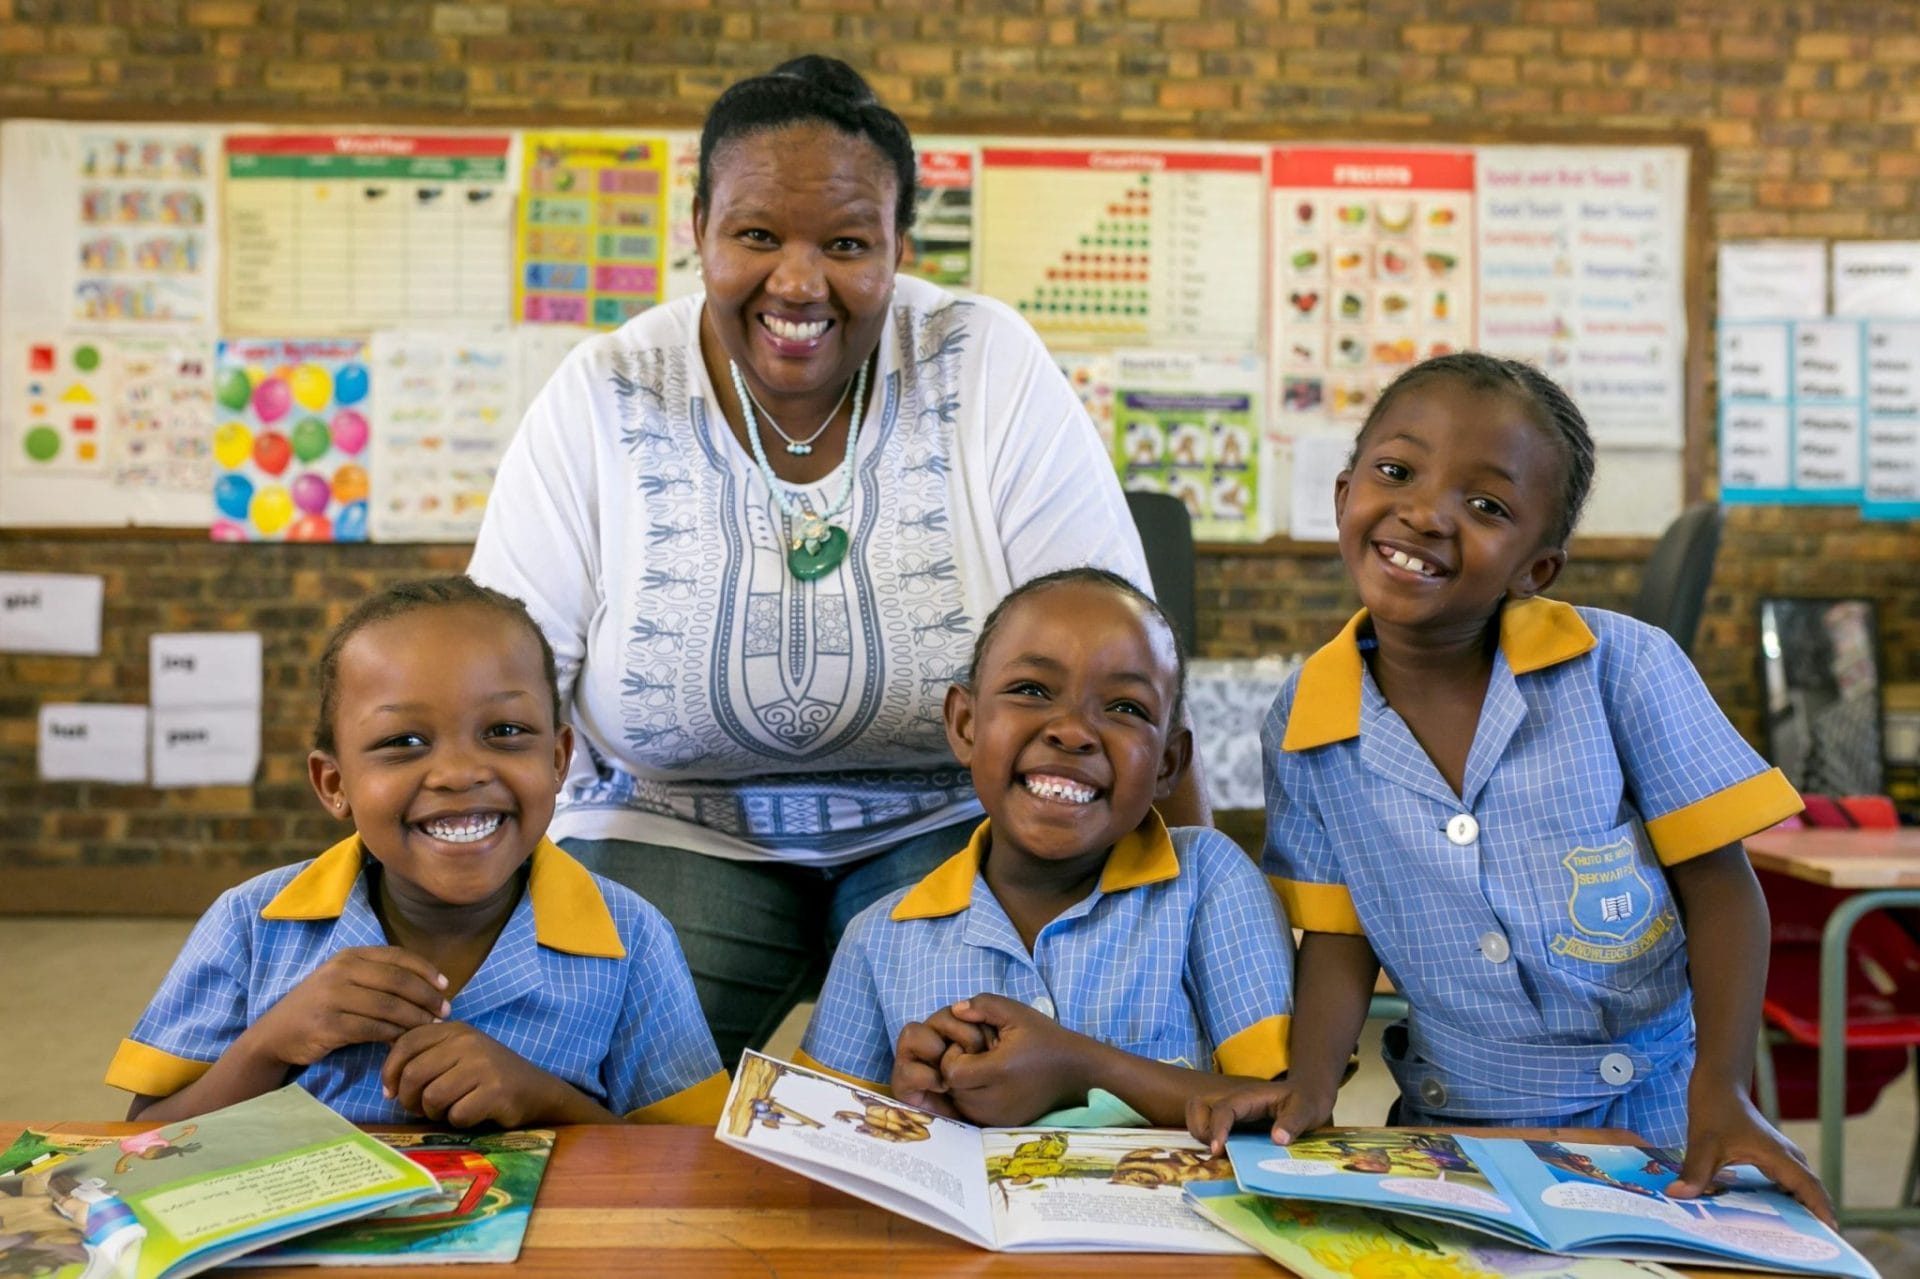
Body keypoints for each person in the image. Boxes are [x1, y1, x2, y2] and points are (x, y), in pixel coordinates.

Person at [467, 56, 1203, 1063]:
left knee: (1001, 1078)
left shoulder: (982, 360)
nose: (799, 282)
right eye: (757, 235)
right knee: (563, 1067)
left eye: (848, 243)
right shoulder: (606, 390)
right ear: (700, 232)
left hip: (961, 826)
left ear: (900, 247)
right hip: (670, 827)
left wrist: (1203, 925)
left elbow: (1126, 657)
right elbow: (495, 682)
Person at [1185, 353, 1835, 1225]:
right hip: (1454, 1129)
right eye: (1396, 471)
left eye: (1486, 505)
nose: (1425, 512)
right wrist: (1308, 1087)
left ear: (1537, 567)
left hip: (1661, 1118)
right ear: (1344, 495)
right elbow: (1339, 935)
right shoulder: (1306, 722)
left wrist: (1722, 1086)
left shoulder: (1623, 670)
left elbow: (1720, 888)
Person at [105, 577, 726, 1127]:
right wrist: (269, 1045)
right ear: (335, 784)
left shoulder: (631, 938)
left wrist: (548, 1100)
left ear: (558, 758)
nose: (458, 773)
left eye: (505, 732)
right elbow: (148, 1140)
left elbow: (688, 1168)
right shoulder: (251, 925)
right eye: (403, 741)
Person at [798, 569, 1292, 1127]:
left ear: (1169, 764)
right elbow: (823, 1143)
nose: (1074, 731)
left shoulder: (1208, 882)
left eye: (1127, 708)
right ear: (965, 724)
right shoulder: (879, 940)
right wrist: (910, 1108)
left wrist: (1077, 1069)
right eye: (1031, 690)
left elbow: (1284, 1113)